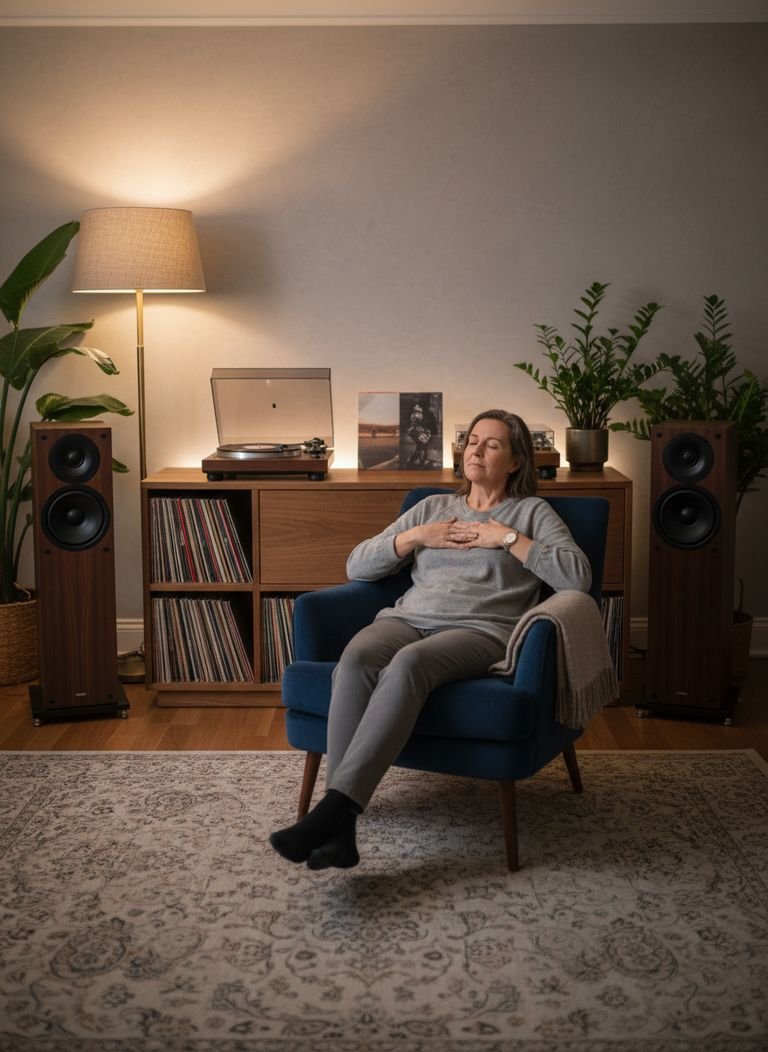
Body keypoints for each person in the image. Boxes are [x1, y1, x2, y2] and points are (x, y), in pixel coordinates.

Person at [269, 409, 592, 870]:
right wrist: (417, 536)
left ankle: (334, 813)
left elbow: (577, 578)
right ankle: (339, 828)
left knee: (409, 665)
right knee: (357, 657)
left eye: (491, 444)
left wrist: (506, 539)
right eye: (472, 440)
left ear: (516, 462)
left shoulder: (532, 513)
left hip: (481, 631)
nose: (475, 450)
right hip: (408, 618)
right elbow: (356, 566)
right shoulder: (432, 508)